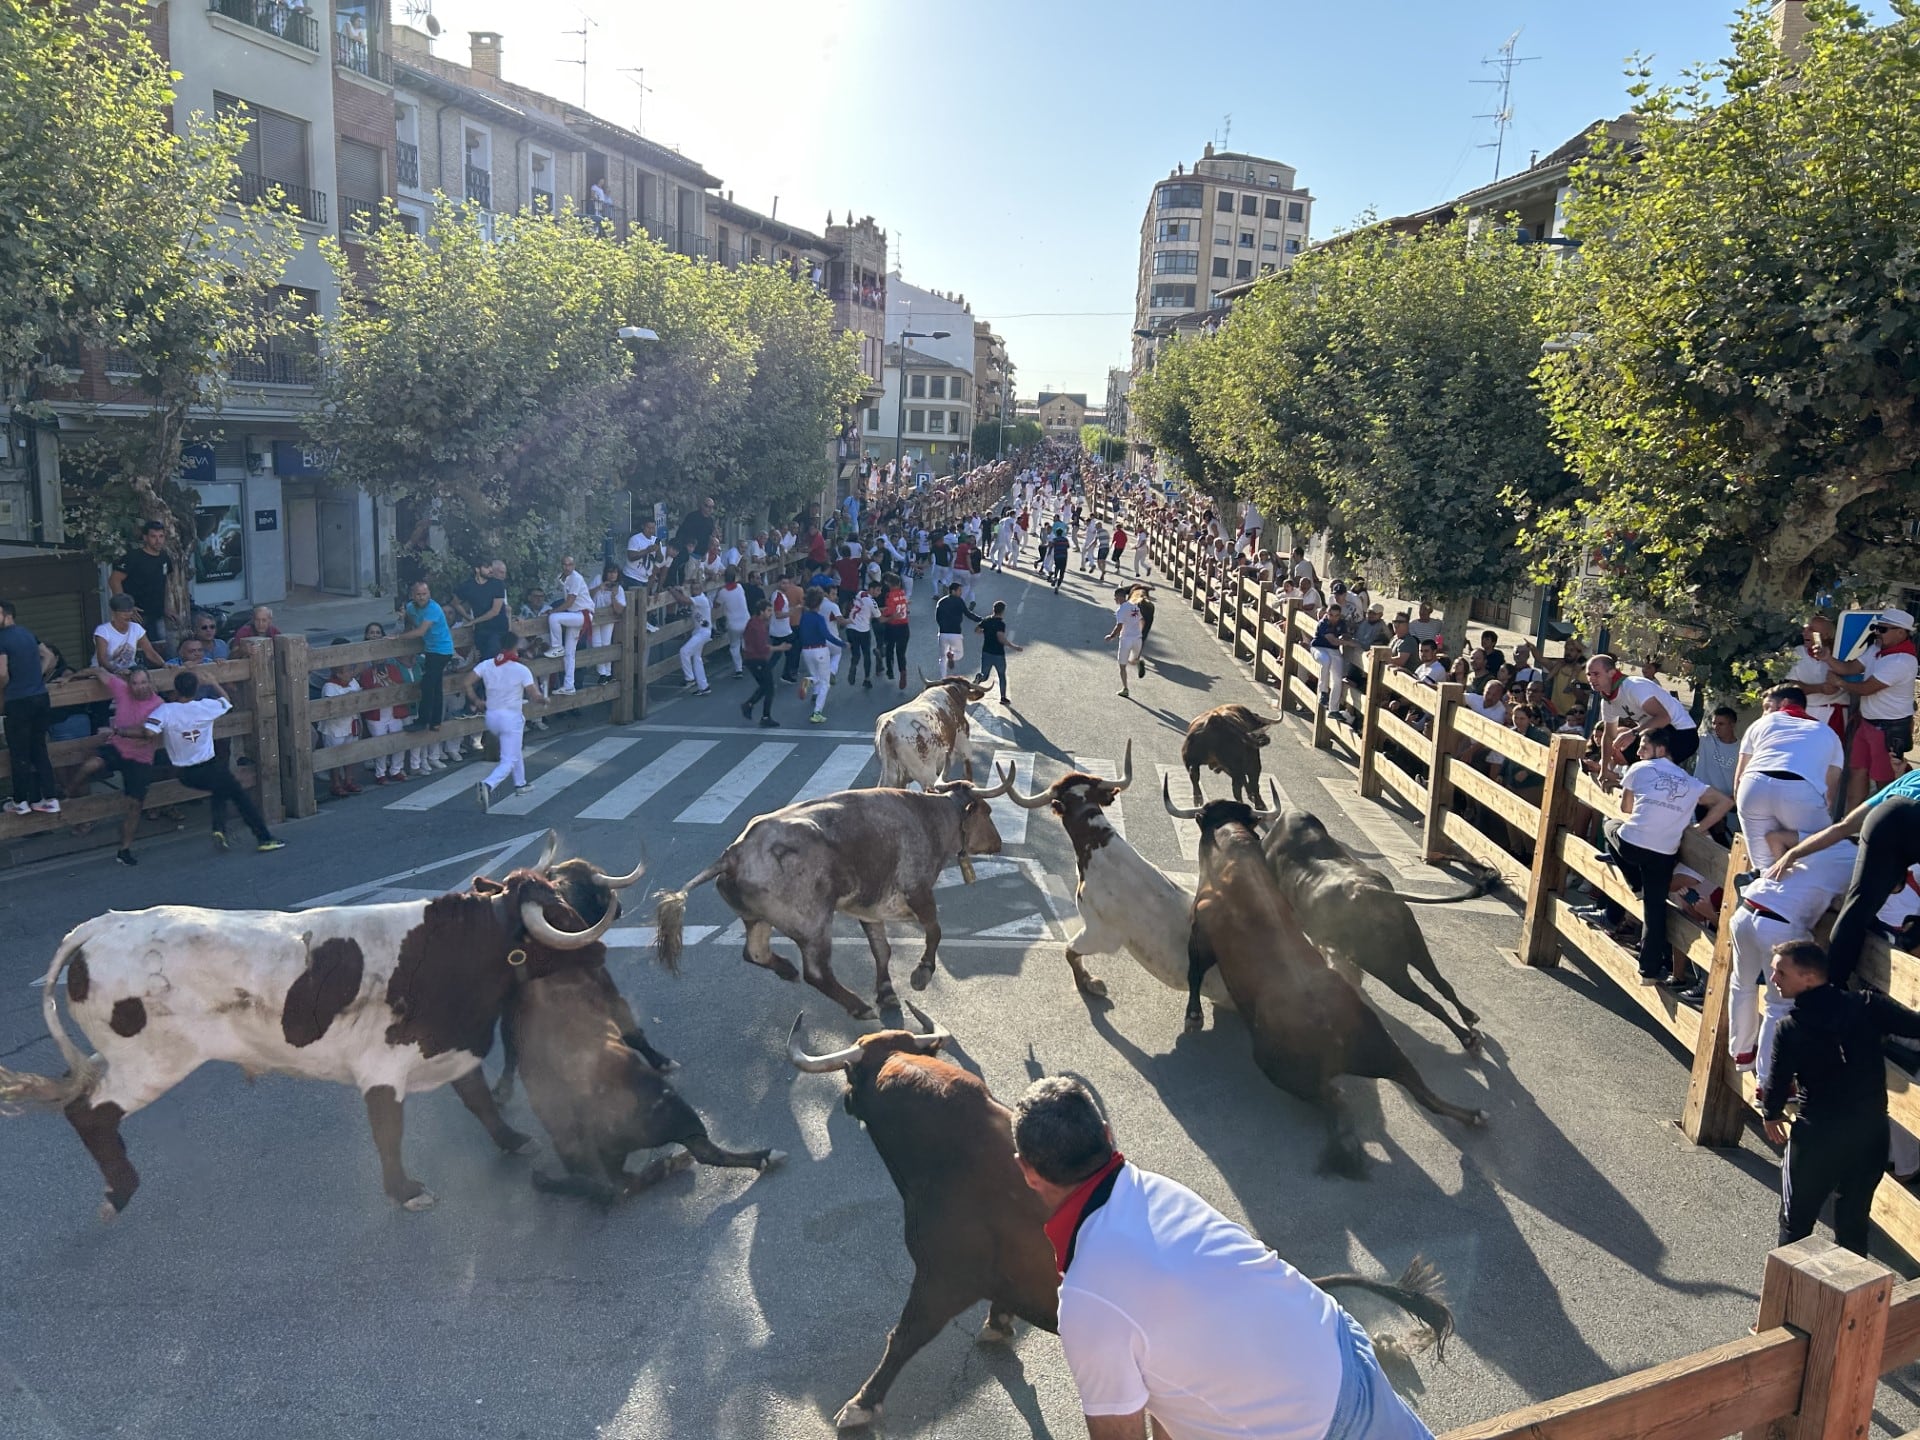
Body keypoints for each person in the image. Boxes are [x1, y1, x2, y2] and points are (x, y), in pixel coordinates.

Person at [1011, 1076, 1434, 1440]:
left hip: (1308, 1425)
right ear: (1106, 1135)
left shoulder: (1088, 1299)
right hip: (1342, 1350)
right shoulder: (1155, 1190)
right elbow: (1173, 1384)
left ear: (1027, 1171)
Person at [1764, 939, 1920, 1256]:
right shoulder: (1867, 1005)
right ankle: (1851, 1303)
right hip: (1870, 1135)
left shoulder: (1789, 1028)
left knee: (1795, 1226)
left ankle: (1788, 1302)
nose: (1773, 979)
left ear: (1809, 977)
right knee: (1853, 1224)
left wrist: (1770, 1113)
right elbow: (1915, 1026)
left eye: (1781, 972)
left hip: (1817, 1138)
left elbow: (1777, 1083)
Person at [1600, 725, 1734, 985]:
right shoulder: (1691, 781)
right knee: (1655, 908)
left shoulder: (1639, 768)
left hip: (1634, 843)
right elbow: (1726, 802)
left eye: (1643, 747)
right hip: (1664, 852)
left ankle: (1635, 883)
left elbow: (1625, 808)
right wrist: (1698, 829)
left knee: (1610, 827)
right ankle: (1649, 972)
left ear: (1660, 750)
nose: (1638, 752)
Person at [1769, 769, 1920, 987]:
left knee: (1856, 910)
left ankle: (1832, 988)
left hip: (1887, 815)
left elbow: (1843, 827)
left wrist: (1795, 852)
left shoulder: (1914, 776)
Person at [1727, 834, 1857, 1082]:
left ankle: (1742, 1053)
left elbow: (1773, 837)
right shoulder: (1860, 860)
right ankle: (1767, 1082)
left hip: (1749, 906)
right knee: (1778, 1005)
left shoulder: (1822, 838)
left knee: (1742, 983)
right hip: (1780, 923)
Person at [144, 668, 283, 852]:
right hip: (209, 766)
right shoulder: (205, 707)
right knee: (241, 798)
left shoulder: (166, 710)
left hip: (183, 772)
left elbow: (149, 731)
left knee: (220, 790)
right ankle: (263, 838)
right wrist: (214, 683)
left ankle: (220, 828)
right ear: (196, 690)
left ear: (176, 690)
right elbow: (226, 701)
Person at [1733, 685, 1844, 868]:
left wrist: (1746, 808)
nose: (1764, 713)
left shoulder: (1760, 724)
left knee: (1763, 868)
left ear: (1783, 704)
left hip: (1753, 786)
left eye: (1767, 707)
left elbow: (1739, 777)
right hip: (1801, 790)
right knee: (1821, 852)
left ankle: (1763, 886)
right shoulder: (1829, 734)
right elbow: (1829, 796)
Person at [68, 664, 165, 863]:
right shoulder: (122, 690)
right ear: (129, 685)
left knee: (134, 806)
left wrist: (115, 731)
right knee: (89, 765)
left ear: (150, 682)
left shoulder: (159, 705)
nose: (140, 687)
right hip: (117, 749)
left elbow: (146, 734)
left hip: (140, 757)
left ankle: (125, 849)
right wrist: (71, 678)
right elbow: (97, 670)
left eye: (143, 682)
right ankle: (67, 793)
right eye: (135, 683)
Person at [1829, 607, 1917, 810]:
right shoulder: (1877, 649)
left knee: (1885, 782)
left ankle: (1886, 827)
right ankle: (1851, 825)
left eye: (1883, 629)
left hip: (1888, 729)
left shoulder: (1902, 660)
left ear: (1901, 633)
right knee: (1857, 772)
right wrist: (1827, 657)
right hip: (1868, 723)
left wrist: (1839, 683)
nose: (1877, 632)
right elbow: (1850, 668)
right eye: (1876, 628)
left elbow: (1867, 688)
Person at [467, 640, 544, 811]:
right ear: (515, 649)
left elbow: (466, 682)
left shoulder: (487, 664)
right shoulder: (521, 669)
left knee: (514, 749)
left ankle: (520, 783)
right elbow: (534, 695)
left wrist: (475, 700)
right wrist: (543, 700)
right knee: (508, 759)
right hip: (511, 717)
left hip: (492, 717)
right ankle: (488, 784)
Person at [1588, 653, 1699, 767]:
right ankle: (1609, 775)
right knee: (1620, 748)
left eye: (1596, 674)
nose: (1591, 679)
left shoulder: (1633, 687)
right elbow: (1608, 736)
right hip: (1655, 731)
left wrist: (1633, 733)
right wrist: (1604, 770)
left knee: (1634, 754)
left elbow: (1664, 717)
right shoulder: (1607, 702)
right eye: (1589, 674)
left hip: (1682, 732)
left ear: (1611, 672)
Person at [0, 600, 59, 816]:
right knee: (39, 749)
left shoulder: (2, 639)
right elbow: (49, 657)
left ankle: (20, 801)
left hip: (18, 700)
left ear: (4, 614)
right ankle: (50, 798)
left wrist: (6, 687)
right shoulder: (28, 633)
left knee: (19, 753)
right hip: (40, 696)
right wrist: (36, 675)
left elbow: (2, 673)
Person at [356, 622, 411, 787]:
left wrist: (388, 682)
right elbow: (367, 690)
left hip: (394, 710)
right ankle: (380, 773)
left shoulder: (392, 668)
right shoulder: (365, 670)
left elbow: (400, 687)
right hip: (376, 713)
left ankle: (396, 769)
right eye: (371, 632)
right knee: (380, 743)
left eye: (377, 632)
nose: (374, 635)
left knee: (398, 740)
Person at [109, 519, 173, 651]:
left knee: (161, 650)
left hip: (158, 613)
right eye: (153, 536)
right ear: (145, 537)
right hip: (137, 615)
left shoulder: (165, 557)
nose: (158, 540)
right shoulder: (133, 557)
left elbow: (165, 582)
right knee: (138, 651)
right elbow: (114, 580)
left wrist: (167, 607)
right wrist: (126, 608)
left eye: (161, 536)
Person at [399, 580, 454, 733]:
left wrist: (399, 637)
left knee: (427, 684)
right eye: (418, 594)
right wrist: (403, 619)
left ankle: (423, 720)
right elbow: (410, 621)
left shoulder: (434, 608)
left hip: (442, 650)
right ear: (413, 596)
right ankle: (435, 722)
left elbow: (420, 631)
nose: (422, 597)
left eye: (425, 594)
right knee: (435, 686)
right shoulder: (410, 607)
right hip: (430, 649)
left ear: (429, 594)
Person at [542, 555, 594, 695]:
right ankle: (569, 685)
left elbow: (570, 602)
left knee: (554, 618)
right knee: (570, 653)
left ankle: (557, 646)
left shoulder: (576, 578)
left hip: (583, 614)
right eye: (565, 564)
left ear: (574, 565)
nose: (567, 567)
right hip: (575, 614)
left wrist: (553, 610)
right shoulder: (562, 577)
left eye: (570, 564)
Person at [318, 651, 364, 799]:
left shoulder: (353, 682)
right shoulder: (330, 687)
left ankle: (348, 780)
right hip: (335, 727)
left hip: (351, 723)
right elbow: (330, 708)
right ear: (338, 673)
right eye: (348, 670)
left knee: (350, 754)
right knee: (335, 756)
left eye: (351, 669)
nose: (351, 673)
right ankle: (335, 783)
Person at [796, 587, 843, 724]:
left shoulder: (804, 617)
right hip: (820, 650)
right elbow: (827, 635)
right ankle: (817, 712)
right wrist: (842, 644)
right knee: (825, 683)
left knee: (817, 676)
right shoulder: (819, 619)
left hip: (806, 650)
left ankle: (810, 680)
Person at [738, 598, 786, 727]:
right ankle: (764, 716)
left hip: (752, 659)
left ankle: (749, 705)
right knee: (769, 688)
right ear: (761, 611)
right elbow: (762, 647)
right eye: (768, 610)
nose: (771, 613)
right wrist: (779, 648)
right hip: (757, 659)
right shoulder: (757, 627)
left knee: (766, 686)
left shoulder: (754, 623)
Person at [93, 594, 167, 674]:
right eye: (123, 611)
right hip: (105, 672)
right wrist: (117, 671)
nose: (127, 614)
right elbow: (102, 660)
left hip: (130, 670)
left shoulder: (136, 628)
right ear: (113, 613)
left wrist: (164, 664)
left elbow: (150, 652)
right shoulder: (103, 631)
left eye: (129, 610)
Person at [456, 558, 510, 663]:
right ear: (477, 569)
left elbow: (495, 611)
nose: (490, 570)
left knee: (492, 660)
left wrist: (473, 621)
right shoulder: (468, 586)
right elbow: (455, 602)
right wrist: (468, 618)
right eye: (486, 567)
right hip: (480, 631)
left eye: (491, 567)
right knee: (482, 661)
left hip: (498, 630)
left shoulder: (497, 584)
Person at [973, 601, 1022, 706]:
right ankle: (1003, 698)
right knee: (1001, 675)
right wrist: (1014, 647)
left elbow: (977, 630)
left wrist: (986, 632)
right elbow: (1001, 638)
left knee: (985, 676)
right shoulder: (1000, 623)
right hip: (998, 654)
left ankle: (978, 679)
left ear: (993, 609)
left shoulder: (986, 620)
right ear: (1003, 611)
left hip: (986, 652)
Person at [934, 582, 983, 679]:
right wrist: (981, 619)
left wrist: (942, 627)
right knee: (959, 654)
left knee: (942, 658)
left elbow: (937, 617)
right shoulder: (959, 601)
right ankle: (952, 655)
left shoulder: (941, 601)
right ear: (953, 591)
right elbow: (968, 614)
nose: (961, 592)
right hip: (955, 633)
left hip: (943, 633)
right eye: (959, 590)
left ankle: (943, 678)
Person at [1106, 587, 1146, 700]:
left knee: (1122, 666)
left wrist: (1111, 636)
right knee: (1133, 661)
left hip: (1126, 640)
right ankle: (1138, 662)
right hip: (1138, 639)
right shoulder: (1135, 607)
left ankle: (1125, 689)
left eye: (1115, 598)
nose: (1115, 600)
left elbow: (1119, 626)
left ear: (1119, 597)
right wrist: (1140, 632)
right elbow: (1142, 621)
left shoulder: (1120, 610)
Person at [677, 585, 713, 696]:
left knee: (684, 651)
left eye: (697, 588)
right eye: (693, 589)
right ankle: (704, 686)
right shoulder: (696, 599)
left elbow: (683, 600)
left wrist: (672, 591)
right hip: (699, 630)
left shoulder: (701, 599)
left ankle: (690, 678)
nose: (694, 591)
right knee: (697, 659)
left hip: (703, 632)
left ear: (701, 590)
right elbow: (686, 598)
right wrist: (681, 591)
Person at [878, 574, 911, 690]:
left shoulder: (889, 595)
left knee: (889, 648)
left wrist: (881, 612)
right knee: (901, 653)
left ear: (889, 584)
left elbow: (890, 612)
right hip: (905, 626)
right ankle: (903, 672)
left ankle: (890, 670)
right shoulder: (902, 594)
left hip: (893, 627)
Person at [844, 580, 878, 689]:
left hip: (850, 627)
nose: (879, 592)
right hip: (863, 630)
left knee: (856, 653)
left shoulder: (859, 594)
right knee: (866, 654)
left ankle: (853, 665)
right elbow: (878, 615)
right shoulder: (871, 602)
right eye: (878, 590)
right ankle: (867, 679)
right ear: (871, 589)